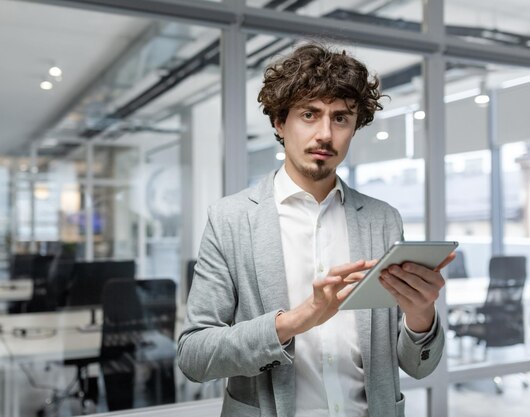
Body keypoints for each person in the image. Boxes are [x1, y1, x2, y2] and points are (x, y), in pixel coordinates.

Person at [177, 41, 453, 417]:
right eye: (309, 114)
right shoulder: (231, 219)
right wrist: (295, 320)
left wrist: (421, 316)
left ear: (354, 128)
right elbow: (194, 356)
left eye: (340, 118)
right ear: (279, 122)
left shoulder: (383, 219)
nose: (325, 133)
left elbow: (418, 365)